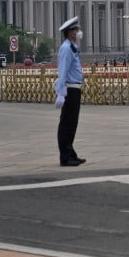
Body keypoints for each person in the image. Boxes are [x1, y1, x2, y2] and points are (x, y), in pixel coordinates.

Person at [54, 16, 87, 167]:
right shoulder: (66, 48)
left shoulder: (73, 47)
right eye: (75, 29)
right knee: (67, 123)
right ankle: (65, 157)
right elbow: (63, 71)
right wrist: (61, 93)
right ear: (69, 33)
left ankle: (70, 153)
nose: (78, 32)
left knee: (72, 123)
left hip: (75, 88)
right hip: (69, 90)